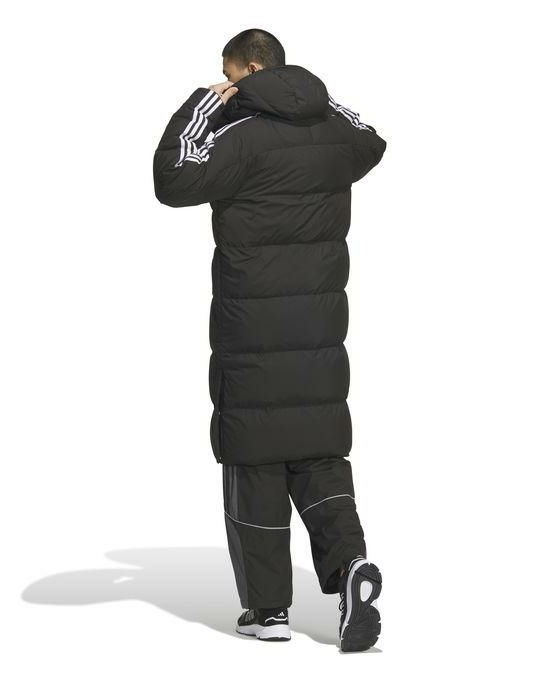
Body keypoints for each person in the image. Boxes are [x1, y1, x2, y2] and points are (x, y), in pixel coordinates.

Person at [153, 28, 386, 652]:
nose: (226, 84)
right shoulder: (333, 130)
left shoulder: (240, 135)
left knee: (254, 454)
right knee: (318, 453)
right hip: (319, 334)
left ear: (251, 70)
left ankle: (268, 611)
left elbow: (172, 178)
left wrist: (206, 102)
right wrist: (317, 100)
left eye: (230, 74)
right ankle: (351, 568)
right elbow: (370, 139)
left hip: (250, 332)